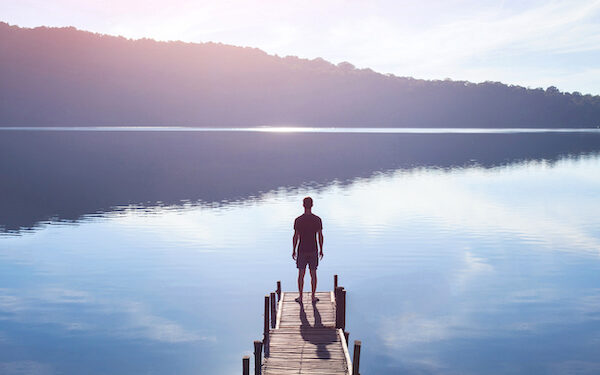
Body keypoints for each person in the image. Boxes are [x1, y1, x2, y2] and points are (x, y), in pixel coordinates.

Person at [292, 196, 324, 303]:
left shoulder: (298, 220)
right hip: (313, 249)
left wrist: (293, 249)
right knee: (313, 274)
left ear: (303, 205)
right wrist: (321, 249)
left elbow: (295, 236)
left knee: (301, 274)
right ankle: (313, 296)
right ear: (312, 205)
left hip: (301, 250)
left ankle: (300, 297)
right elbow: (320, 236)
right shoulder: (317, 219)